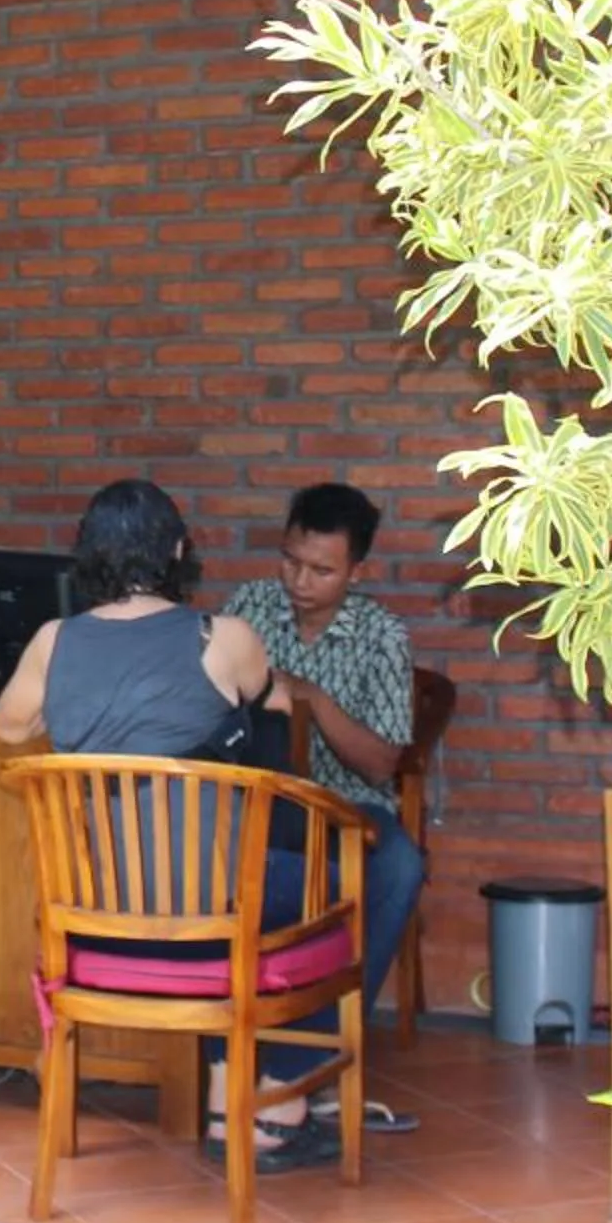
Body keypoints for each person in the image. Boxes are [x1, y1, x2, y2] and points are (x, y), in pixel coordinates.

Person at [0, 478, 338, 1171]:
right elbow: (268, 702)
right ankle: (271, 1107)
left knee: (255, 889)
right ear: (180, 549)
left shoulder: (53, 640)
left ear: (87, 554)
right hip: (208, 916)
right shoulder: (224, 638)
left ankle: (227, 1093)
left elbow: (9, 728)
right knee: (318, 887)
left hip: (98, 922)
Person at [220, 481, 425, 1135]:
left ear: (357, 571)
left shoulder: (382, 635)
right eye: (291, 561)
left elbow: (384, 762)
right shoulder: (248, 609)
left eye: (322, 569)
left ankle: (321, 1050)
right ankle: (239, 1052)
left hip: (350, 806)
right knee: (230, 864)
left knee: (398, 868)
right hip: (264, 798)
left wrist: (310, 697)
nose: (300, 580)